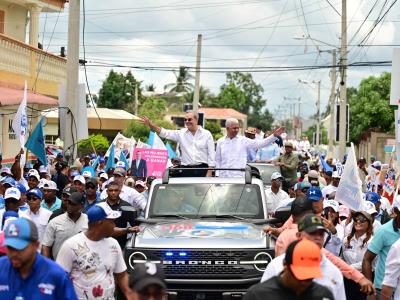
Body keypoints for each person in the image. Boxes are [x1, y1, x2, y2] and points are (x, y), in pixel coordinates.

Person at [56, 202, 136, 300]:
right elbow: (58, 279)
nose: (114, 225)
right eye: (111, 221)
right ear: (100, 223)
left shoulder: (113, 245)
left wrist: (130, 293)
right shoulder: (71, 246)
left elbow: (122, 275)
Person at [262, 214, 345, 299]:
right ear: (298, 235)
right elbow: (263, 294)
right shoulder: (276, 265)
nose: (318, 238)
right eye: (312, 233)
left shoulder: (333, 272)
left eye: (321, 234)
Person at [0, 218, 78, 299]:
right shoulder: (1, 268)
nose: (14, 254)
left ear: (36, 245)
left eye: (20, 248)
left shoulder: (56, 276)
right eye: (10, 248)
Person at [246, 239, 334, 300]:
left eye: (309, 277)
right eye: (299, 276)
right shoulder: (258, 295)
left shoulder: (324, 295)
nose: (304, 282)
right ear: (285, 264)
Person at [140, 111, 215, 177]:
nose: (187, 121)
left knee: (201, 193)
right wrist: (150, 124)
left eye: (189, 119)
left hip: (203, 169)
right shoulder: (181, 133)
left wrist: (209, 172)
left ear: (196, 120)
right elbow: (164, 132)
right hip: (186, 170)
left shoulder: (207, 134)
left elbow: (212, 155)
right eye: (185, 120)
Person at [215, 118, 284, 177]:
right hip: (223, 177)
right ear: (227, 128)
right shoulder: (220, 141)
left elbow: (260, 143)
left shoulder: (243, 140)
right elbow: (218, 160)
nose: (236, 130)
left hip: (239, 177)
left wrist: (274, 136)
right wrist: (217, 174)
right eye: (234, 128)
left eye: (237, 128)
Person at [362, 202, 400, 292]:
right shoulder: (384, 231)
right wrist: (370, 287)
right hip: (383, 288)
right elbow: (367, 259)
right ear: (396, 211)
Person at [42, 192, 88, 260]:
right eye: (68, 202)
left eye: (73, 204)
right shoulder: (55, 222)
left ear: (81, 205)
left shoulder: (89, 221)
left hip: (82, 266)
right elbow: (46, 245)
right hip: (59, 266)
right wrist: (48, 265)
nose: (69, 205)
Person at [342, 211, 374, 300]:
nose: (358, 222)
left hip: (363, 280)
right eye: (356, 219)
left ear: (369, 224)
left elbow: (368, 262)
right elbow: (343, 258)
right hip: (347, 280)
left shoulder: (372, 241)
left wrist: (347, 268)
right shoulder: (346, 240)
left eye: (362, 220)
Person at [101, 181, 140, 249]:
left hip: (120, 245)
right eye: (111, 190)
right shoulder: (100, 206)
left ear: (120, 192)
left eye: (116, 190)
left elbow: (135, 225)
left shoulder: (126, 206)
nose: (113, 192)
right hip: (102, 244)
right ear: (107, 192)